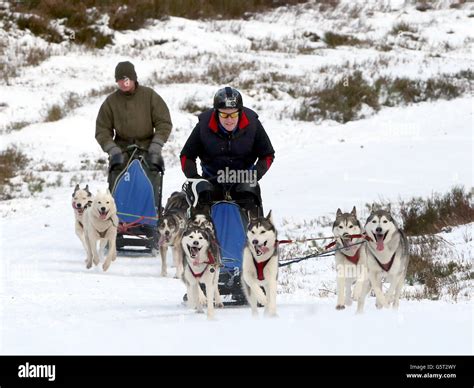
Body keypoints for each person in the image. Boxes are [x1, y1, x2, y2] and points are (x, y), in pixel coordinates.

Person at [180, 86, 275, 217]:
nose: (229, 120)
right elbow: (186, 156)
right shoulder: (203, 126)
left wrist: (253, 175)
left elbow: (268, 155)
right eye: (224, 114)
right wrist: (196, 179)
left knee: (251, 192)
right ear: (217, 112)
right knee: (200, 200)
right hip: (212, 181)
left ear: (240, 112)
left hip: (243, 180)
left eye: (234, 114)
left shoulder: (253, 124)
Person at [95, 61, 172, 210]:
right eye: (120, 80)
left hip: (148, 147)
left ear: (133, 78)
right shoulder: (111, 102)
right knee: (118, 178)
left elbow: (164, 122)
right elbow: (102, 130)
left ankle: (150, 213)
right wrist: (112, 149)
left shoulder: (149, 96)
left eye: (126, 79)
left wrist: (156, 145)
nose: (123, 84)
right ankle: (118, 216)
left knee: (149, 179)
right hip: (122, 149)